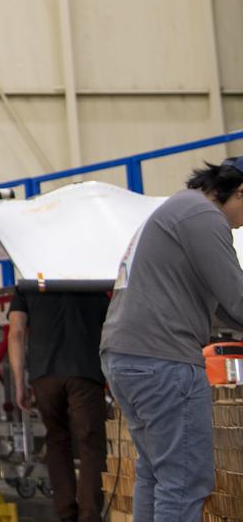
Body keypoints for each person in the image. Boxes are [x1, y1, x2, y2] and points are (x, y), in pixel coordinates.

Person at [100, 157, 243, 520]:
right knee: (184, 480)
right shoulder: (204, 216)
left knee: (157, 472)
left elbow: (225, 307)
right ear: (240, 192)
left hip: (127, 357)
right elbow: (238, 298)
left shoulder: (176, 209)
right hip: (162, 360)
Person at [8, 288, 110, 522]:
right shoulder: (90, 281)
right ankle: (89, 516)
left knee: (56, 441)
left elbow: (16, 333)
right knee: (90, 445)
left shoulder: (28, 283)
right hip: (85, 372)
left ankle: (66, 515)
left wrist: (19, 382)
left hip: (44, 375)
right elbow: (110, 330)